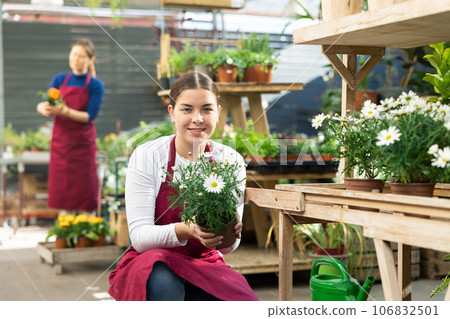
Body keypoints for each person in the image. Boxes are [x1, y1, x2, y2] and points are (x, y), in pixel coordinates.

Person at [108, 72, 258, 301]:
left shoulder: (230, 160)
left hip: (203, 262)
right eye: (187, 109)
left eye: (207, 109)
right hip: (153, 260)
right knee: (162, 283)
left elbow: (227, 248)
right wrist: (186, 229)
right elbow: (139, 237)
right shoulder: (147, 156)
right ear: (172, 113)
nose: (197, 118)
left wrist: (230, 235)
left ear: (218, 112)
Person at [36, 39, 104, 212]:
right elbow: (46, 102)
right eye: (74, 54)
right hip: (61, 146)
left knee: (85, 192)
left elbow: (89, 116)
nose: (76, 59)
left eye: (81, 56)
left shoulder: (95, 85)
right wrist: (42, 107)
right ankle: (64, 232)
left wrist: (65, 111)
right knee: (62, 195)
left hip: (83, 147)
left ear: (91, 60)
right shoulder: (59, 80)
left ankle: (86, 231)